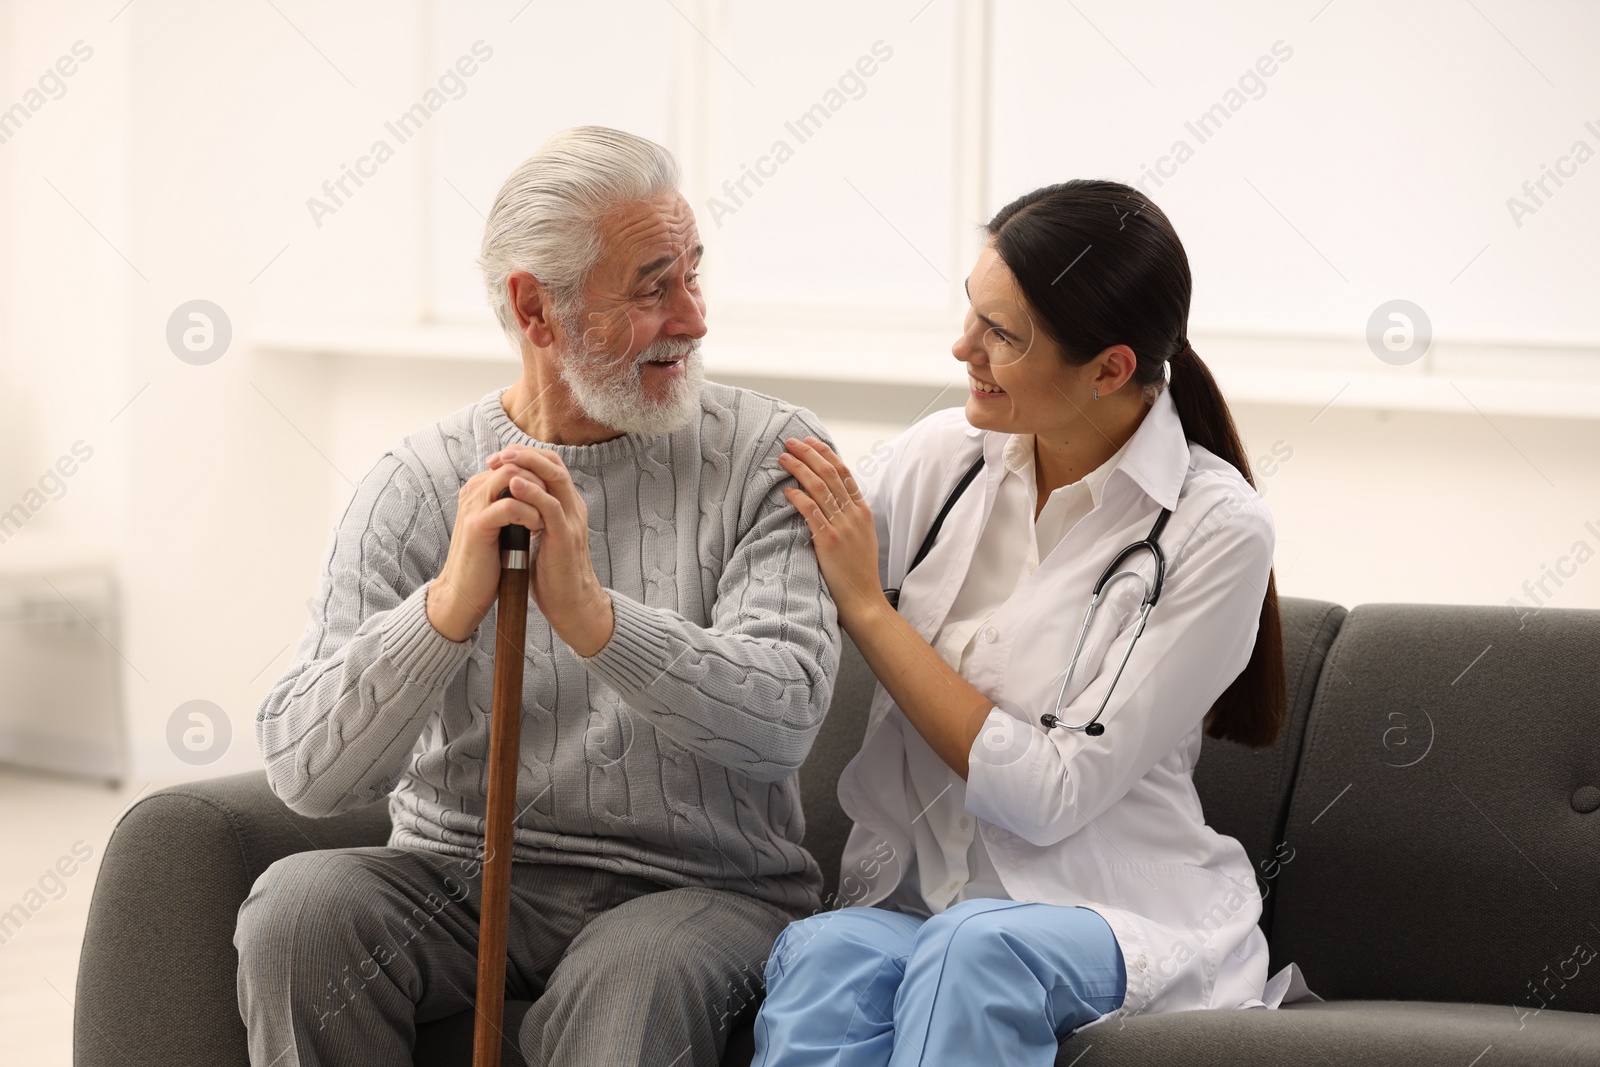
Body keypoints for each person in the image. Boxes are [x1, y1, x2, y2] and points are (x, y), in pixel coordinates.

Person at [234, 127, 841, 1067]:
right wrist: (443, 610)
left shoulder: (768, 455)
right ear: (536, 309)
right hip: (459, 877)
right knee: (301, 910)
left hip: (702, 890)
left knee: (637, 978)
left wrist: (596, 618)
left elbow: (785, 720)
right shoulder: (418, 480)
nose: (694, 317)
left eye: (693, 273)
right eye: (652, 286)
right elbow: (307, 773)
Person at [753, 179, 1308, 1065]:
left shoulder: (1214, 530)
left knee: (977, 948)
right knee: (830, 951)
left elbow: (1051, 795)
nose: (962, 347)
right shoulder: (944, 458)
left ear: (1110, 368)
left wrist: (869, 608)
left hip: (1112, 916)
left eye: (1001, 335)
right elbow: (772, 541)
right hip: (929, 908)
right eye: (972, 314)